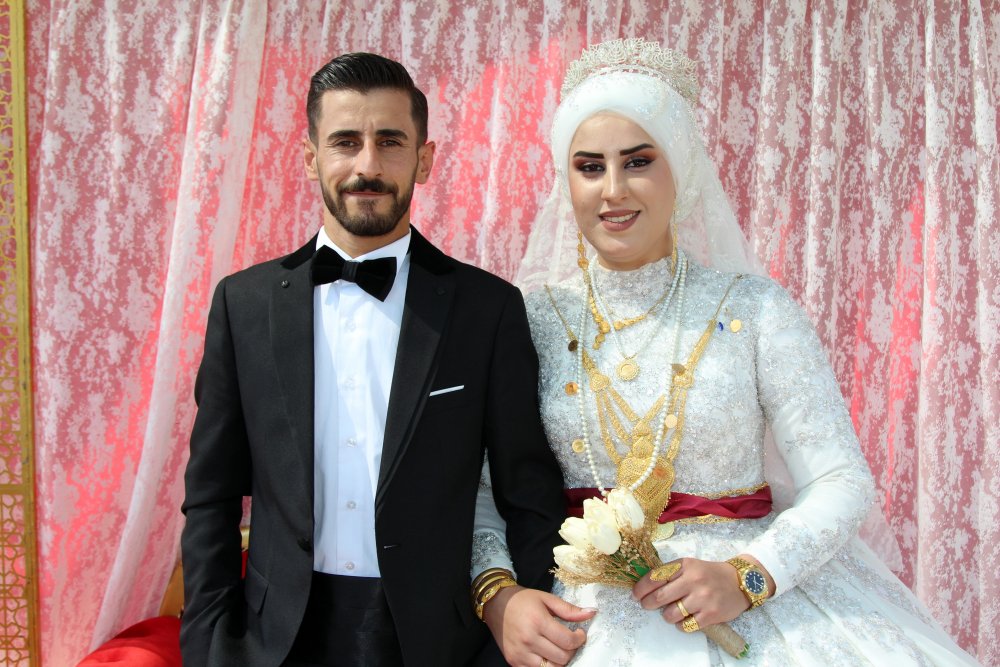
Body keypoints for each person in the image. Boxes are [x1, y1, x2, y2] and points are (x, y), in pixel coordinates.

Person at [475, 38, 981, 666]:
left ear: (681, 169)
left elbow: (840, 479)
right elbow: (481, 491)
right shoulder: (527, 320)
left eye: (638, 161)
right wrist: (498, 596)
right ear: (567, 180)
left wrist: (748, 576)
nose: (613, 190)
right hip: (582, 617)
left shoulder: (755, 309)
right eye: (590, 167)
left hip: (757, 607)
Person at [179, 52, 573, 667]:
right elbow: (211, 495)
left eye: (390, 142)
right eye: (345, 142)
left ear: (425, 158)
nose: (367, 166)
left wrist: (517, 622)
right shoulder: (243, 305)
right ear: (310, 156)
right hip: (273, 643)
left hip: (437, 645)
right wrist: (209, 645)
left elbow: (529, 493)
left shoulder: (487, 309)